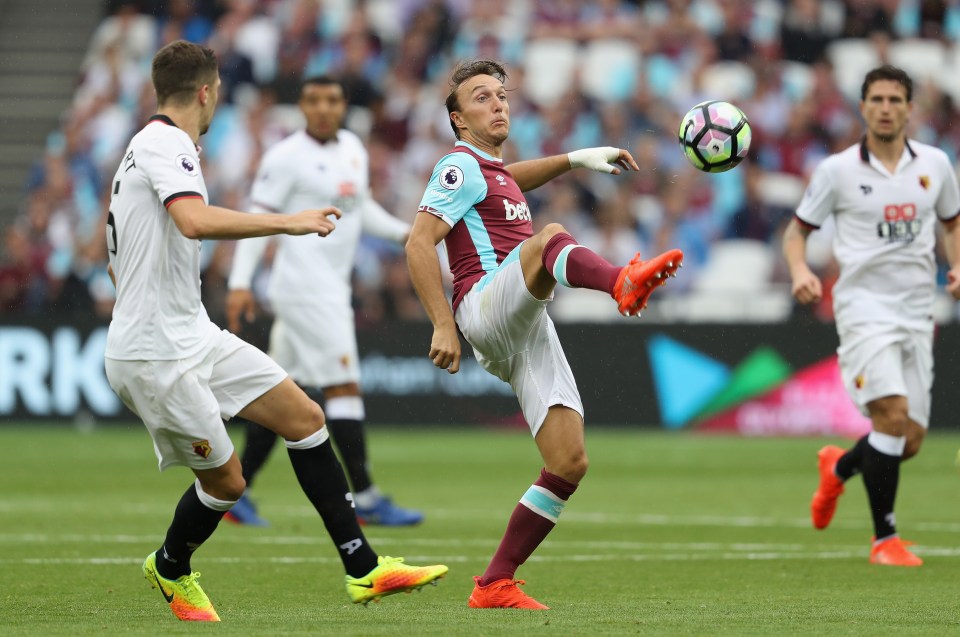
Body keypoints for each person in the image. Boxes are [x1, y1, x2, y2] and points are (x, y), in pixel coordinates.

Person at [103, 40, 446, 622]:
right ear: (208, 92)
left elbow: (122, 254)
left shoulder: (150, 147)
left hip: (191, 332)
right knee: (228, 483)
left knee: (306, 418)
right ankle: (170, 565)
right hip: (155, 353)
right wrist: (287, 223)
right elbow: (192, 221)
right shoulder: (166, 143)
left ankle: (364, 569)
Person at [405, 59, 683, 610]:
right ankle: (620, 282)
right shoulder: (457, 166)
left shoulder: (494, 172)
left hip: (523, 322)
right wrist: (442, 323)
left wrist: (577, 158)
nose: (497, 103)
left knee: (569, 460)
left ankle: (494, 583)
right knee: (549, 235)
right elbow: (418, 242)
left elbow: (512, 177)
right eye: (481, 98)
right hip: (483, 303)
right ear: (459, 121)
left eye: (501, 95)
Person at [224, 76, 422, 528]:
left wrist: (401, 233)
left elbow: (360, 207)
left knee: (277, 395)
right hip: (306, 290)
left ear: (344, 105)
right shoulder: (285, 157)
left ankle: (235, 490)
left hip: (327, 288)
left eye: (332, 100)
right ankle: (367, 498)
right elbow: (259, 221)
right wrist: (239, 281)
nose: (323, 109)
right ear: (302, 106)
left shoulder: (352, 147)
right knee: (344, 386)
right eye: (313, 100)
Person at [783, 64, 960, 567]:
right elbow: (797, 232)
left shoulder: (935, 165)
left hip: (917, 309)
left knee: (908, 440)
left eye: (895, 100)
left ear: (910, 108)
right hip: (863, 307)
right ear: (862, 107)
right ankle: (884, 539)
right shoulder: (836, 171)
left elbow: (953, 222)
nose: (885, 108)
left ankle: (838, 468)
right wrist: (799, 270)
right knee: (892, 416)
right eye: (877, 99)